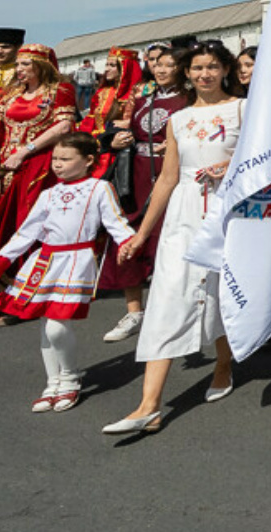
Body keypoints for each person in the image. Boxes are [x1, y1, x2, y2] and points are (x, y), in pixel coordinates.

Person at [103, 41, 245, 434]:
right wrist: (140, 233)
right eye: (197, 68)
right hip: (183, 213)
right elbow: (167, 178)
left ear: (225, 70)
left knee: (218, 294)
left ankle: (223, 362)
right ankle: (149, 405)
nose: (204, 74)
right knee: (167, 296)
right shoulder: (178, 119)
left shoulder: (242, 109)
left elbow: (263, 160)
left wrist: (229, 164)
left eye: (212, 67)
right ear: (187, 73)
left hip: (226, 212)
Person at [0, 133, 137, 412]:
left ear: (88, 161)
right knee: (45, 326)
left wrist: (129, 243)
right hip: (45, 261)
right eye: (55, 159)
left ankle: (70, 379)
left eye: (65, 159)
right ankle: (53, 382)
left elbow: (116, 222)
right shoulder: (48, 193)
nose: (57, 165)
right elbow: (27, 233)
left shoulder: (99, 188)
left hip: (77, 259)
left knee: (57, 325)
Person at [0, 44, 77, 334]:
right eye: (17, 64)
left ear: (41, 66)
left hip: (34, 169)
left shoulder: (59, 91)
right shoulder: (11, 93)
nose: (18, 69)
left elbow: (64, 126)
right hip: (1, 169)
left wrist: (26, 150)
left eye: (25, 64)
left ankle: (19, 298)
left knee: (23, 230)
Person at [100, 45, 185, 344]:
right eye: (157, 64)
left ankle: (170, 312)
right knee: (129, 235)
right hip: (135, 174)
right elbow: (130, 129)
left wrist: (176, 146)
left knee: (167, 240)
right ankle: (134, 311)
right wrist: (120, 139)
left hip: (170, 174)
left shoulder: (189, 99)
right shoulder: (143, 98)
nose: (161, 69)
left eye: (169, 65)